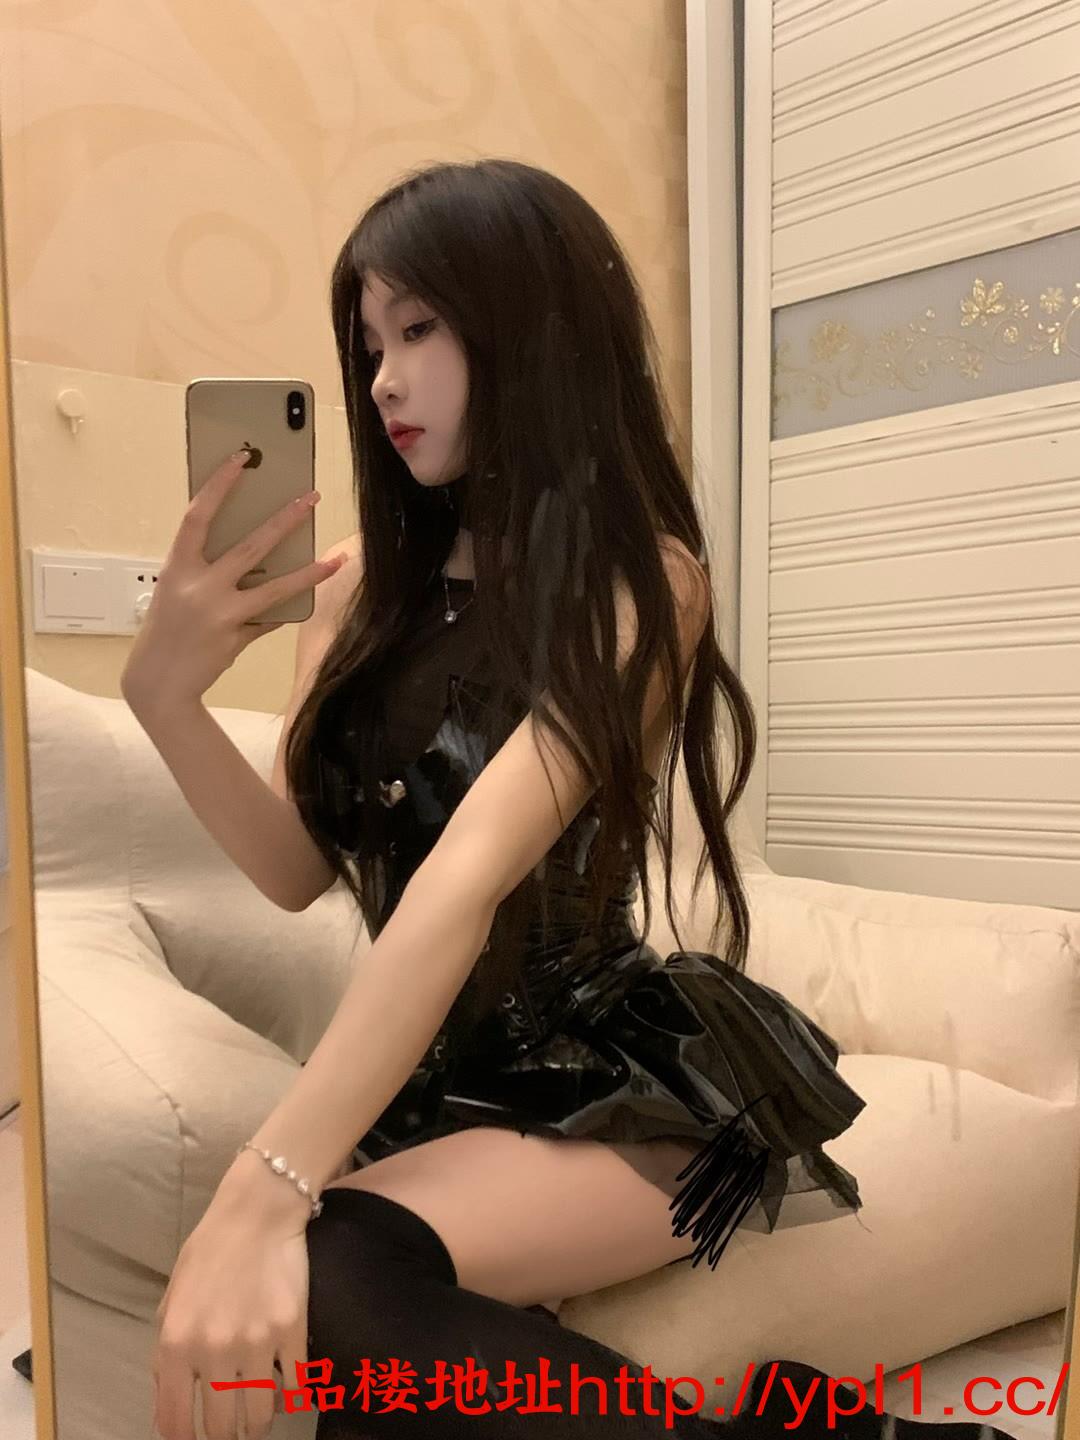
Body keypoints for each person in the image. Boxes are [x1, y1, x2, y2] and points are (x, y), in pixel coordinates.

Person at [131, 160, 1021, 1440]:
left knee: (327, 1271)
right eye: (369, 343)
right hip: (435, 1088)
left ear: (533, 330)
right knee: (353, 1367)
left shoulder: (644, 584)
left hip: (621, 1084)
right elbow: (293, 869)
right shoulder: (355, 589)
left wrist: (266, 1181)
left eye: (420, 329)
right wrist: (165, 697)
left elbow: (464, 880)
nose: (383, 380)